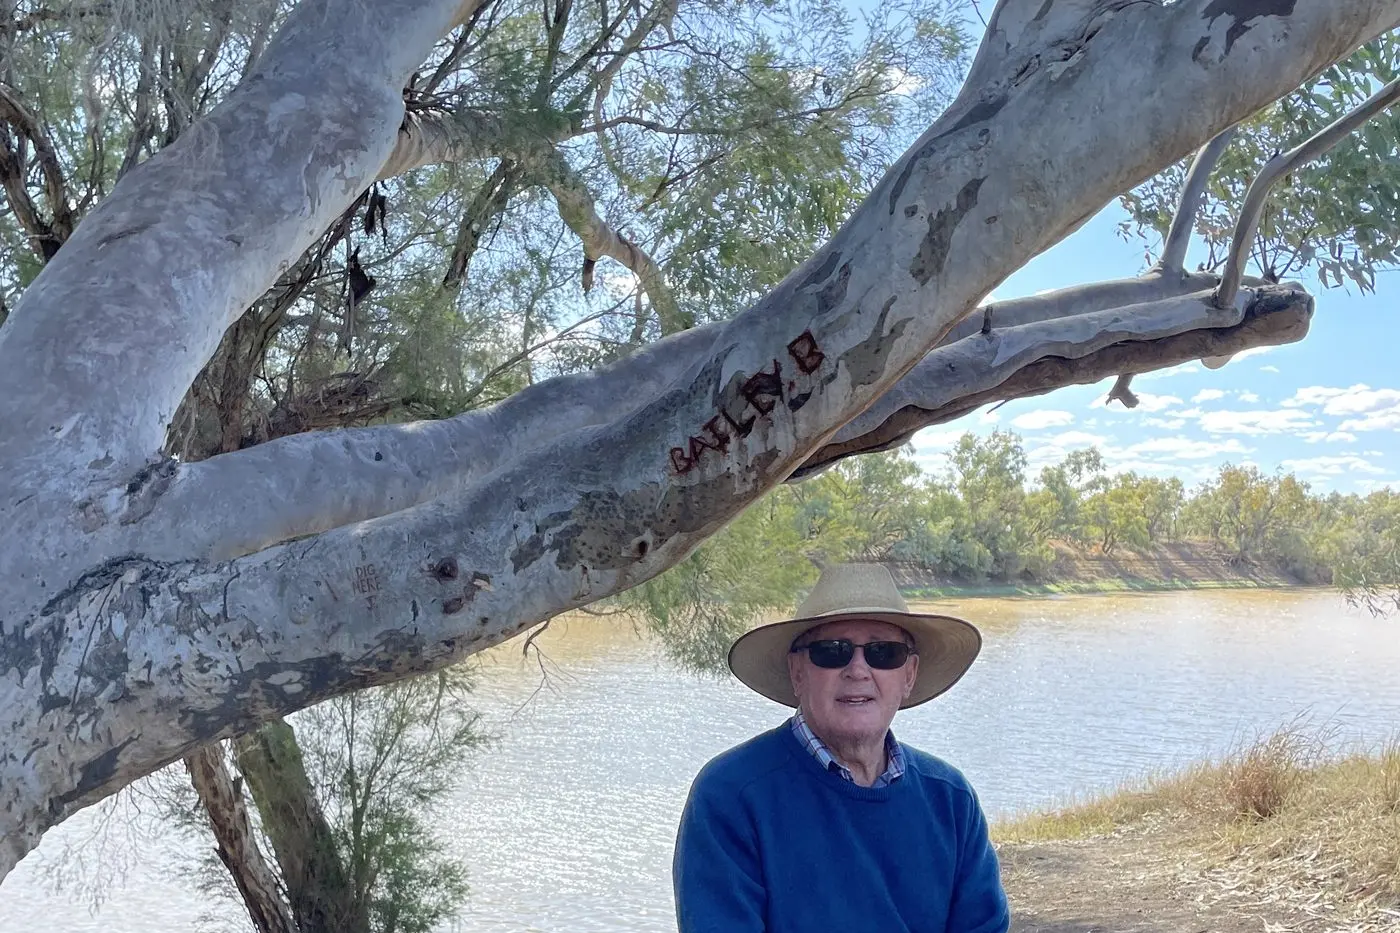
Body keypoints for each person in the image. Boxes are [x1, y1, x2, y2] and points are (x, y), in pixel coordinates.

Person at [672, 562, 1009, 933]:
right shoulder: (730, 794)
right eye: (832, 651)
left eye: (884, 652)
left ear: (909, 675)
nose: (858, 670)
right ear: (797, 672)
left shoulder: (951, 799)